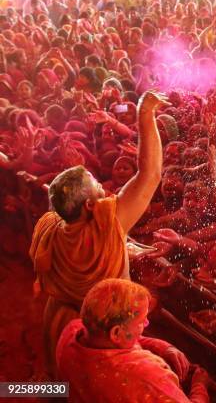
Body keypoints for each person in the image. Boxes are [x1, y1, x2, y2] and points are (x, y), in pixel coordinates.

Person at [29, 90, 168, 375]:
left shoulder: (51, 226)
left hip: (60, 325)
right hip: (102, 335)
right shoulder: (107, 225)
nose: (105, 190)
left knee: (62, 388)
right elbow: (150, 174)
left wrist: (123, 246)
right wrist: (145, 112)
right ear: (92, 205)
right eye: (95, 184)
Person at [56, 278, 209, 402]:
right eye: (142, 321)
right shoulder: (147, 378)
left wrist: (163, 347)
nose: (147, 324)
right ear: (116, 333)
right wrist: (199, 385)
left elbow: (133, 340)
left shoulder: (72, 331)